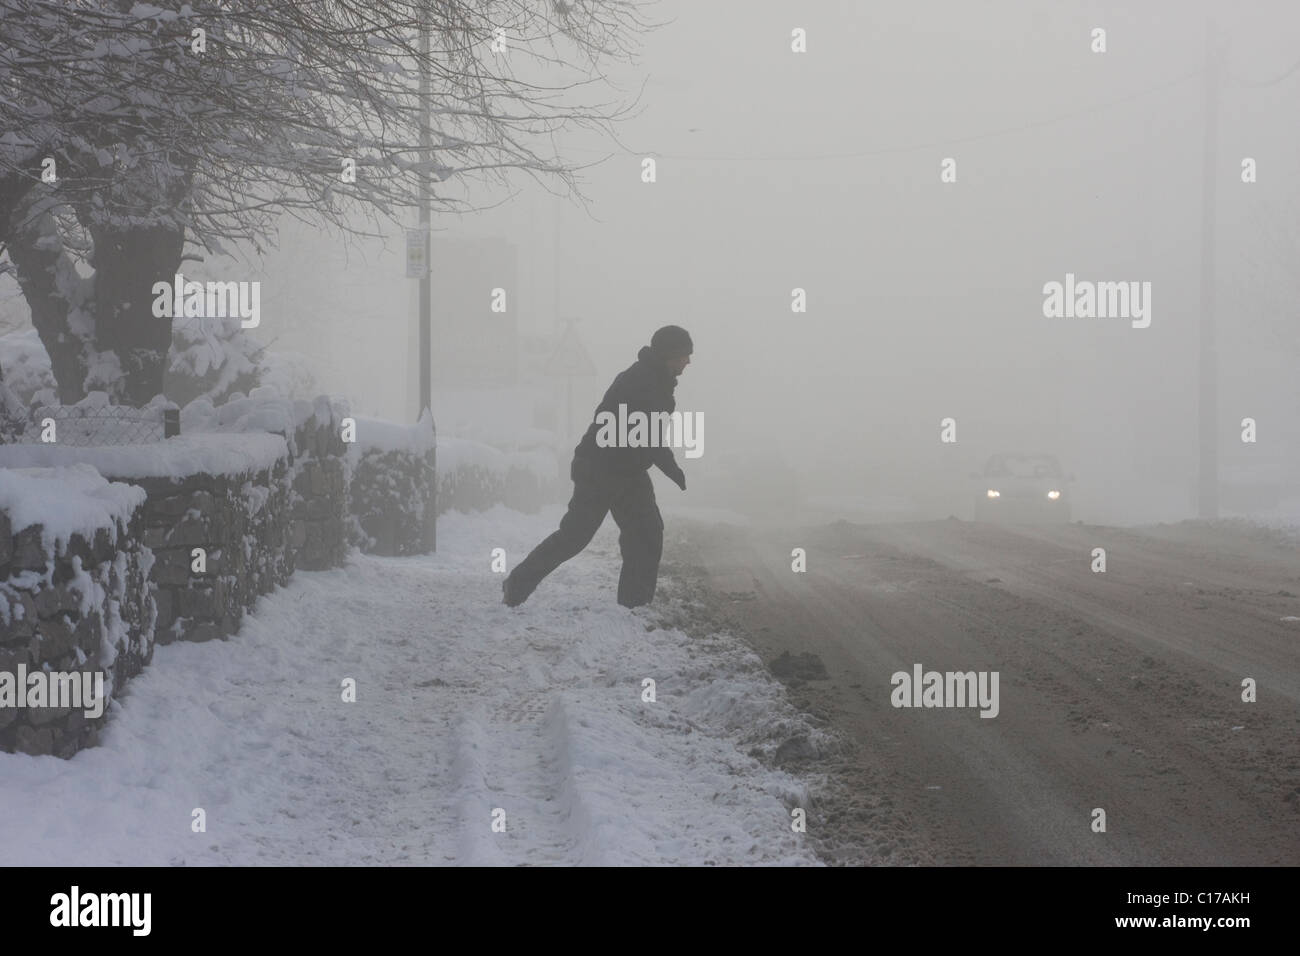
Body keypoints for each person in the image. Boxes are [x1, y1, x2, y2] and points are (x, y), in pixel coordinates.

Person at [503, 325, 692, 608]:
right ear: (668, 355)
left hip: (628, 471)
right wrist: (672, 469)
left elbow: (648, 436)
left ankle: (634, 604)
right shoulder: (641, 382)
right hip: (600, 470)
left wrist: (668, 466)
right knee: (574, 538)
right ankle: (517, 584)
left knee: (646, 533)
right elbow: (648, 436)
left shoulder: (655, 381)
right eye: (683, 356)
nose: (687, 362)